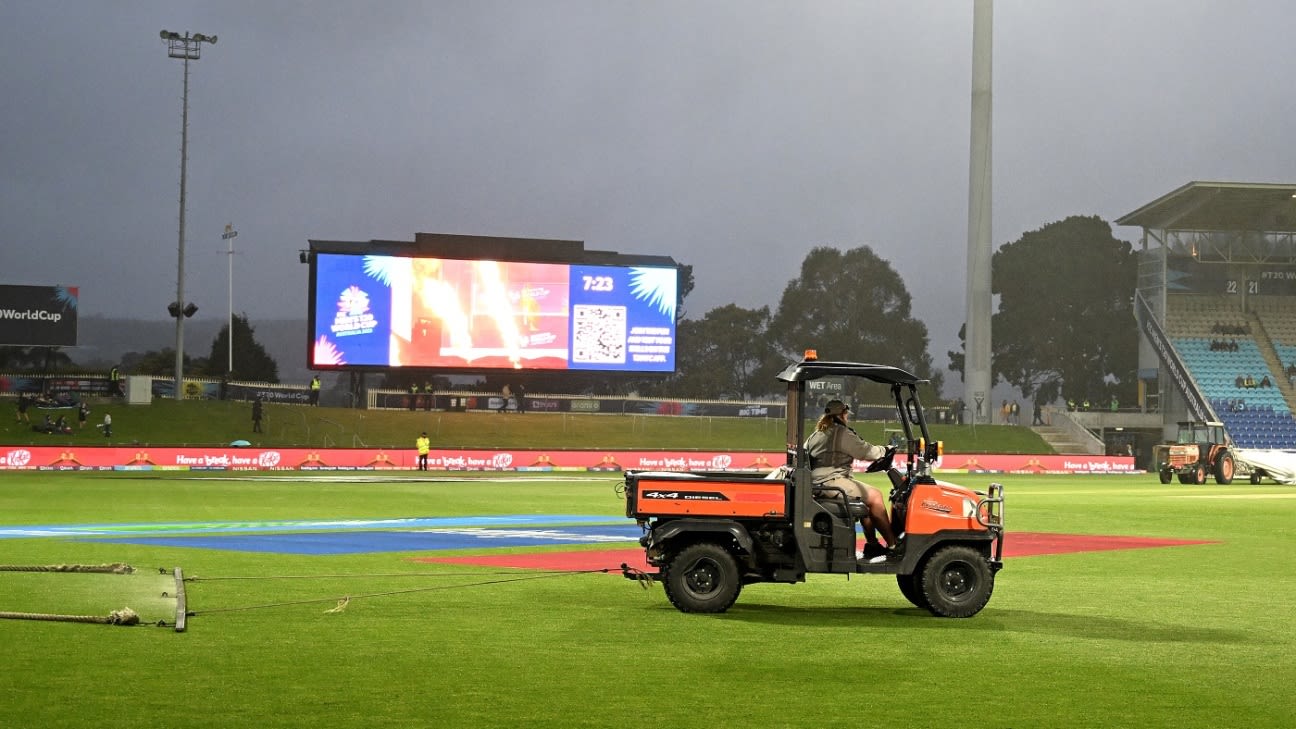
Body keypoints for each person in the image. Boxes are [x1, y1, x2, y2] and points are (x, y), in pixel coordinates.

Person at [803, 399, 900, 562]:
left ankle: (872, 545)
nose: (847, 417)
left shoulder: (816, 434)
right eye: (846, 414)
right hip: (831, 481)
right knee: (875, 496)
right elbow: (865, 451)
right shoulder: (841, 433)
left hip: (820, 482)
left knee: (867, 499)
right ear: (842, 414)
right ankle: (894, 546)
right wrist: (885, 449)